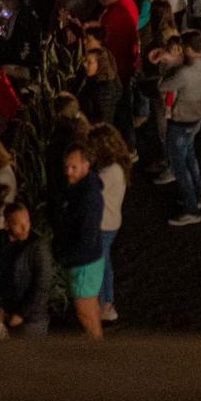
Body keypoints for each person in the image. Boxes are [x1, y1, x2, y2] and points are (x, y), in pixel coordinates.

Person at [159, 30, 201, 225]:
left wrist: (168, 63)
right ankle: (198, 197)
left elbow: (163, 85)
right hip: (197, 117)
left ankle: (191, 210)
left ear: (188, 48)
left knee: (179, 166)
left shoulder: (184, 73)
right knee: (190, 156)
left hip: (181, 121)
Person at [50, 146, 107, 338]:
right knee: (91, 308)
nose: (68, 172)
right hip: (88, 261)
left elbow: (86, 240)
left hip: (83, 265)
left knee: (85, 313)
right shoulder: (84, 189)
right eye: (67, 167)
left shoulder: (88, 199)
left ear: (86, 166)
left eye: (73, 167)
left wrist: (63, 258)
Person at [0, 201, 53, 335]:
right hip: (3, 313)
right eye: (19, 224)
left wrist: (21, 314)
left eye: (28, 222)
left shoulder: (37, 246)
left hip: (31, 319)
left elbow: (42, 285)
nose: (26, 228)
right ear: (6, 225)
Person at [83, 124, 132, 322]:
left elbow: (91, 192)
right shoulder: (117, 166)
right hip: (111, 222)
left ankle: (106, 305)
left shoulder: (109, 172)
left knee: (101, 266)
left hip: (104, 225)